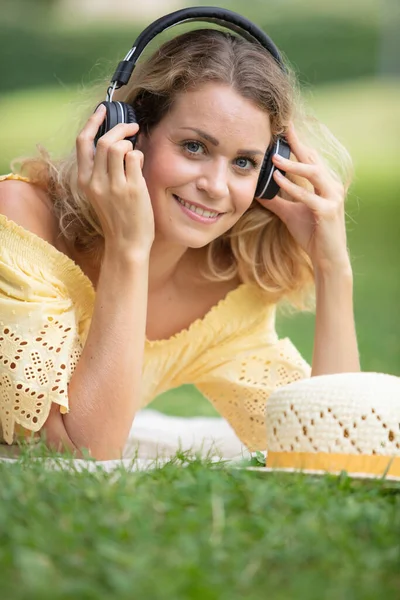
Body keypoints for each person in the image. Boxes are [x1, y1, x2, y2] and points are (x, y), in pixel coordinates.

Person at [0, 13, 360, 461]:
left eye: (244, 163)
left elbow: (331, 447)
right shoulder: (20, 223)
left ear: (270, 174)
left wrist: (333, 268)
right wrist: (130, 252)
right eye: (194, 147)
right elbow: (79, 454)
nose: (216, 185)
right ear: (127, 134)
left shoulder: (224, 300)